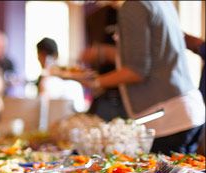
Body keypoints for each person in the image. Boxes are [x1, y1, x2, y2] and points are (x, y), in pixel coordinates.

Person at [82, 1, 205, 154]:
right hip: (187, 110)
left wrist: (94, 82)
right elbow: (151, 57)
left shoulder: (133, 6)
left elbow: (135, 71)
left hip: (165, 117)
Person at [81, 2, 127, 121]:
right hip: (103, 95)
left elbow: (137, 64)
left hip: (128, 95)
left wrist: (105, 52)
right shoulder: (96, 17)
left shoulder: (134, 11)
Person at [36, 37, 87, 113]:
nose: (38, 58)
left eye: (39, 55)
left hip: (57, 120)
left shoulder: (48, 80)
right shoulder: (73, 76)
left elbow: (43, 106)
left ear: (42, 55)